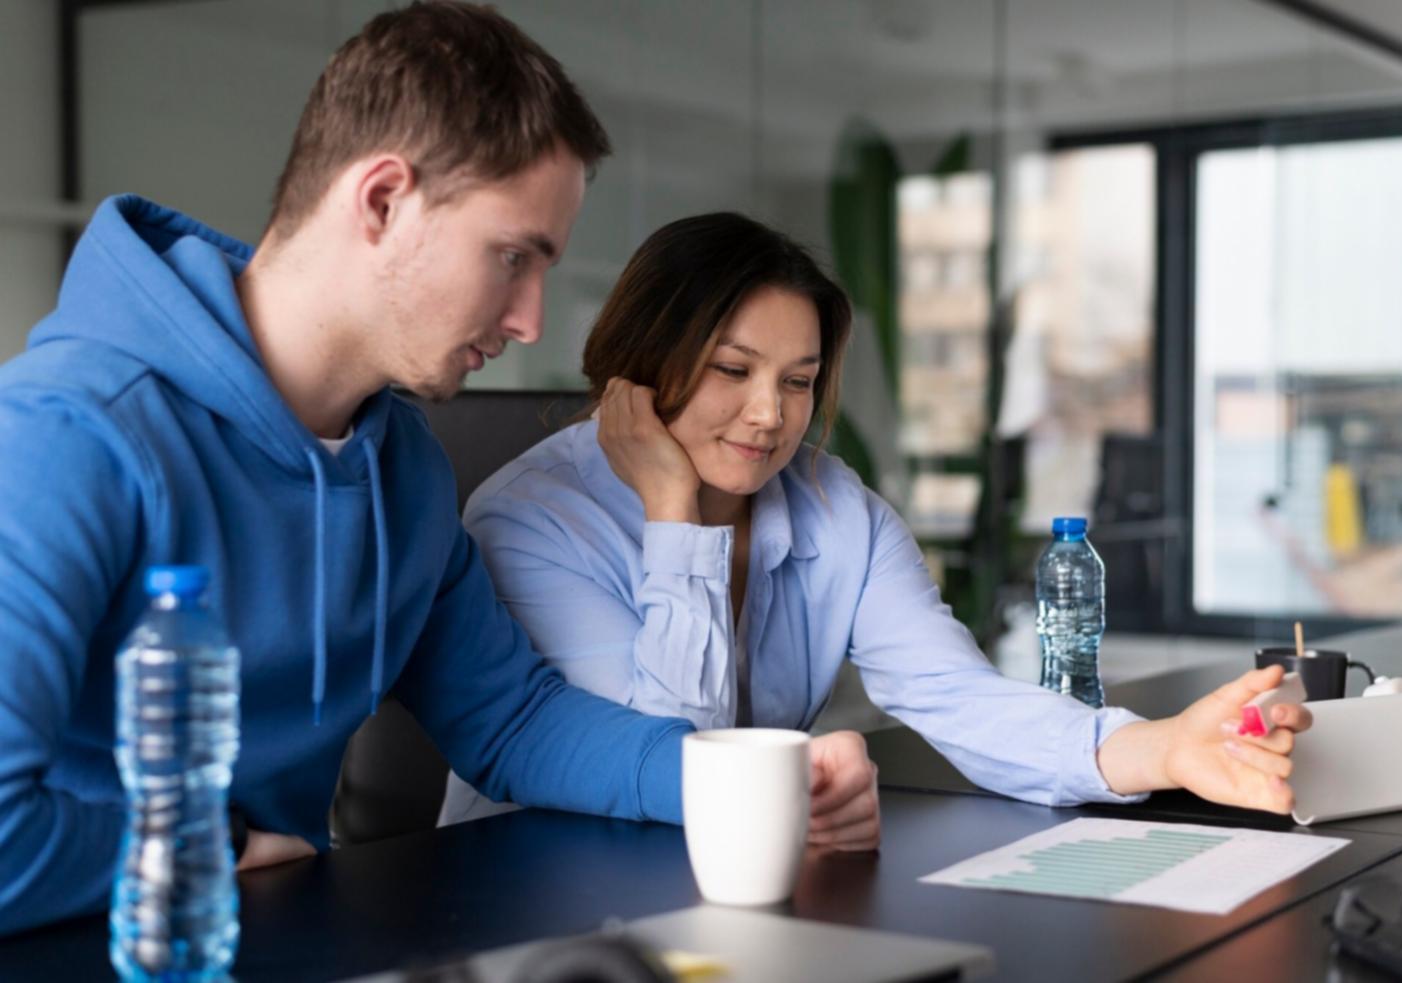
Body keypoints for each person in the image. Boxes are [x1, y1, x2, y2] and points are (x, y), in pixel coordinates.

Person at [0, 3, 875, 937]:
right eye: (512, 258)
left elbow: (511, 720)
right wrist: (198, 843)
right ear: (382, 201)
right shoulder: (63, 437)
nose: (535, 320)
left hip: (276, 939)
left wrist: (752, 779)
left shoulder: (401, 467)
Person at [442, 211, 1313, 827]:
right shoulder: (529, 522)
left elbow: (959, 698)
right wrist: (674, 519)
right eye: (731, 369)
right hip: (530, 897)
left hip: (735, 895)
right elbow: (683, 773)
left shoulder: (834, 507)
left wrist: (1162, 750)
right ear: (640, 365)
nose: (768, 416)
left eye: (796, 380)